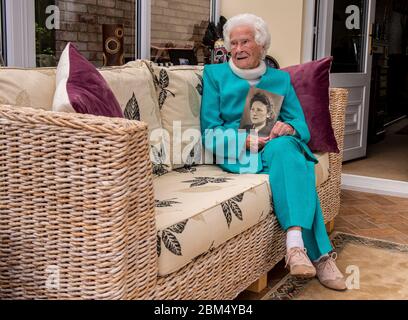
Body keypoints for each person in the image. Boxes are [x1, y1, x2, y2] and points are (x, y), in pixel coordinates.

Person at [200, 13, 347, 291]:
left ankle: (294, 247)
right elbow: (209, 131)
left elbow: (300, 124)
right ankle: (320, 256)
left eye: (245, 42)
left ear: (261, 45)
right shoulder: (214, 75)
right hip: (240, 153)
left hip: (275, 149)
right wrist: (243, 141)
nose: (238, 49)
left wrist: (287, 129)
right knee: (298, 166)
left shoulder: (279, 79)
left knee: (286, 148)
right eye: (233, 43)